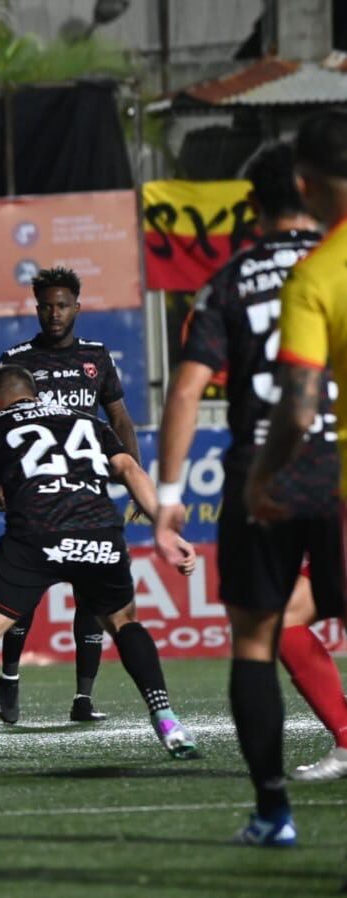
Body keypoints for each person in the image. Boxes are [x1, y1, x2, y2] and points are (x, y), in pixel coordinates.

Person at [155, 142, 346, 848]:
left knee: (256, 641)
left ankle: (272, 813)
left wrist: (167, 495)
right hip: (338, 463)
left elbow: (186, 388)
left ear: (251, 206)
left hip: (261, 472)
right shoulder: (333, 263)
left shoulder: (227, 283)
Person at [0, 364, 198, 774]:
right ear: (34, 393)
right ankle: (169, 724)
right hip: (100, 535)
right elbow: (131, 470)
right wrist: (165, 527)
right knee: (124, 622)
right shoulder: (87, 421)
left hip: (36, 540)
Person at [249, 113, 347, 831]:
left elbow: (299, 404)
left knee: (278, 617)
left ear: (305, 186)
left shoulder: (316, 276)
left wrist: (263, 476)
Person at [0, 266, 141, 725]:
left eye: (62, 305)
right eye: (46, 306)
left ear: (76, 307)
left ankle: (83, 698)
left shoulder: (96, 357)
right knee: (26, 590)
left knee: (91, 594)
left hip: (87, 492)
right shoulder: (17, 360)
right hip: (35, 492)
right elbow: (1, 426)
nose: (54, 313)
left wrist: (134, 478)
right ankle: (10, 675)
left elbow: (120, 418)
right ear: (37, 309)